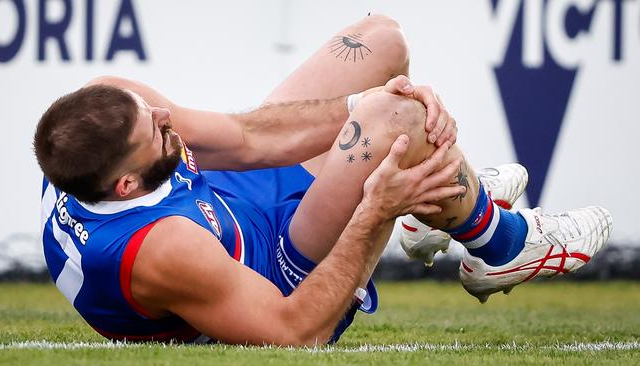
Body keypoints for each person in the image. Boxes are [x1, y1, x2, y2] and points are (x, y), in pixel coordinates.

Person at [34, 15, 612, 346]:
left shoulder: (101, 131)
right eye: (158, 135)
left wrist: (372, 98)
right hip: (278, 272)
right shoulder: (156, 249)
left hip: (238, 203)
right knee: (402, 126)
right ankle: (501, 242)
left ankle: (438, 210)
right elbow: (295, 334)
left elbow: (246, 139)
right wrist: (375, 209)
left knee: (382, 43)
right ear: (128, 188)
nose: (168, 120)